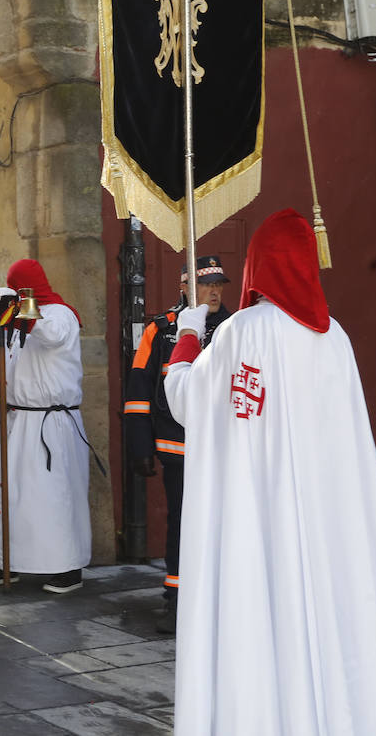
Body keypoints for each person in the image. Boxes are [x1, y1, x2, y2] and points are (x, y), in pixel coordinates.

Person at [165, 209, 376, 735]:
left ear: (256, 268)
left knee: (260, 611)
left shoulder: (243, 331)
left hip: (258, 513)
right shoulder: (337, 340)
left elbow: (188, 402)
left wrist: (188, 336)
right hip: (327, 520)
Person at [124, 253, 233, 632]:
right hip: (178, 448)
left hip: (225, 449)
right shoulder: (161, 329)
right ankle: (178, 602)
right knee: (183, 525)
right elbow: (139, 387)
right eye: (206, 285)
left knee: (227, 525)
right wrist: (140, 446)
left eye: (218, 285)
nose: (214, 292)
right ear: (184, 287)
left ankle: (225, 598)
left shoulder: (237, 327)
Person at [0, 259, 91, 593]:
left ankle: (66, 568)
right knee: (13, 498)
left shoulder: (60, 315)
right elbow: (17, 362)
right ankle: (9, 561)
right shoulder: (17, 319)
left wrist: (19, 307)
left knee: (52, 499)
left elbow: (49, 336)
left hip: (51, 423)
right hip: (18, 419)